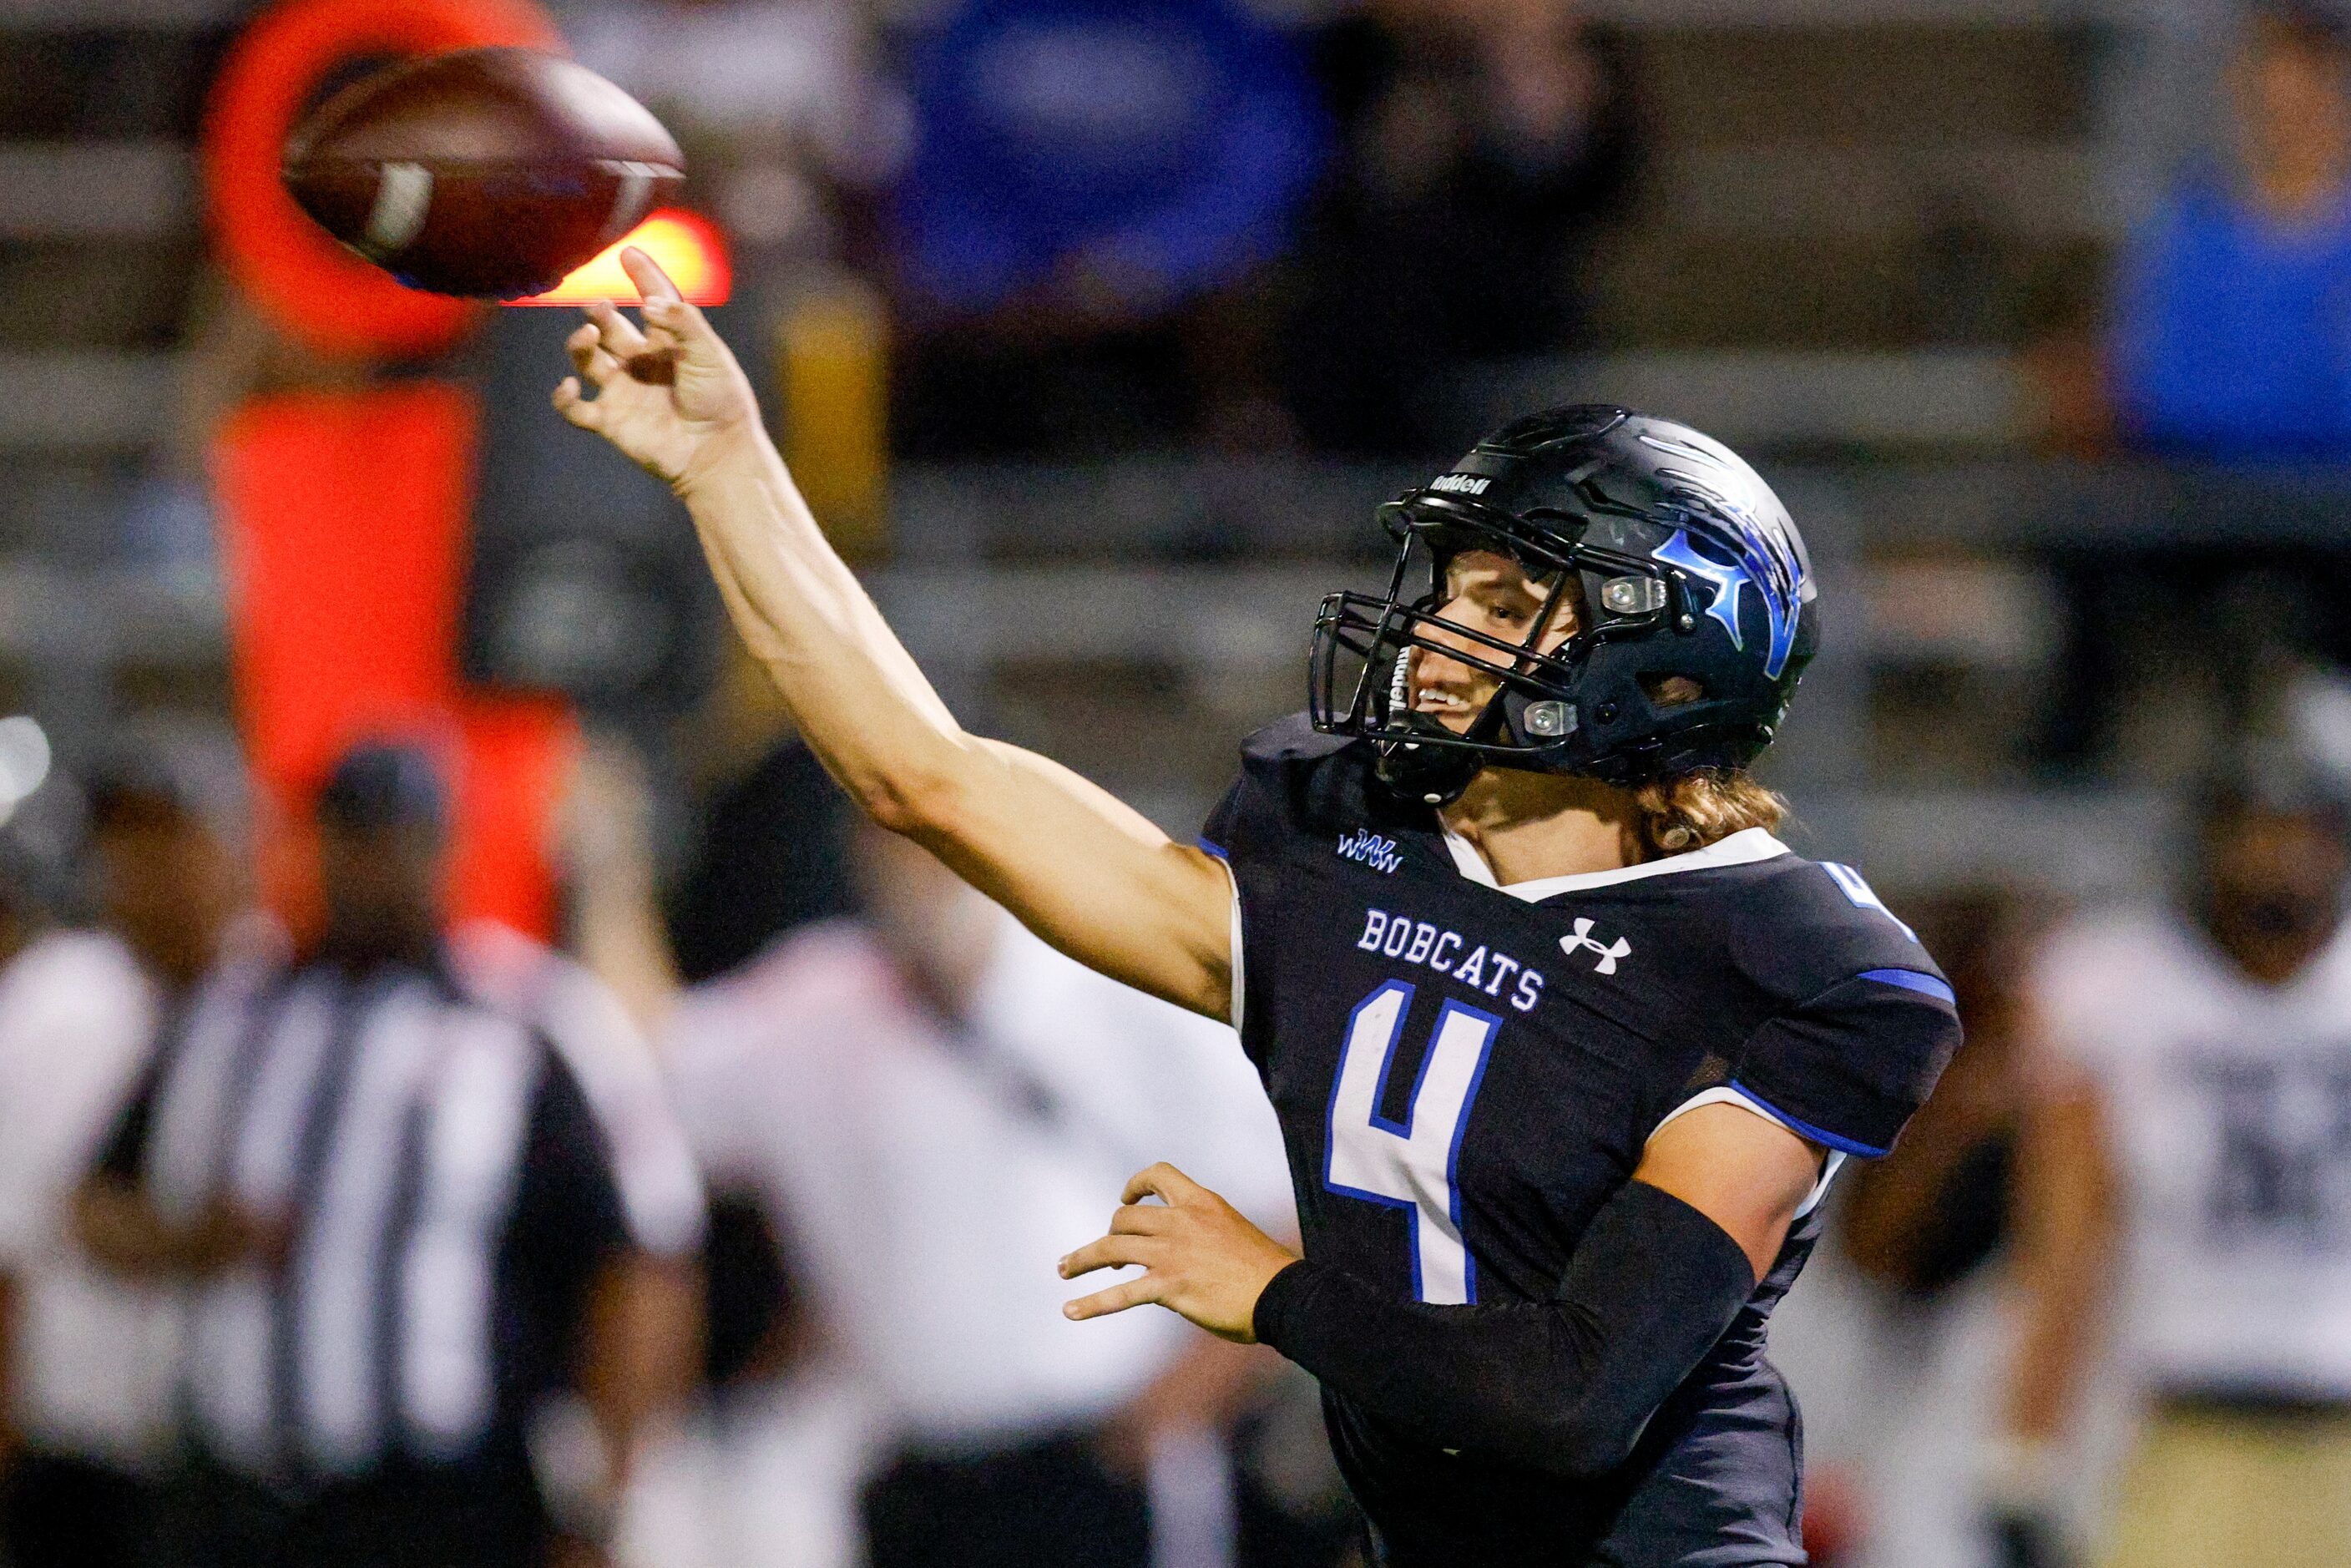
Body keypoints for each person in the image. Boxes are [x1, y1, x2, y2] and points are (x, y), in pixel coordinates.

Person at [550, 249, 1963, 1564]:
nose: (1435, 630)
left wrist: (1271, 1292)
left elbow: (1579, 1389)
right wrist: (731, 469)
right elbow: (929, 780)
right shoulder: (1353, 855)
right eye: (1451, 584)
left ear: (1666, 663)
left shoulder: (1786, 963)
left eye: (1505, 596)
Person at [75, 741, 701, 1568]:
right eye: (352, 838)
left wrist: (604, 1496)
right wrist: (187, 1243)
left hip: (441, 1500)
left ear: (447, 848)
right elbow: (95, 1203)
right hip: (234, 1495)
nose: (373, 867)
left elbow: (640, 1260)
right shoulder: (233, 1011)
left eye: (398, 840)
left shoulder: (529, 1019)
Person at [662, 822, 1313, 1568]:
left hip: (1095, 1465)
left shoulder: (1114, 981)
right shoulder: (813, 1004)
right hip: (916, 1475)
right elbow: (645, 1075)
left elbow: (1285, 1213)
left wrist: (1173, 1413)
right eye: (895, 843)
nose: (920, 874)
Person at [1992, 750, 2351, 1568]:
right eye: (2256, 836)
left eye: (2301, 837)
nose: (2280, 863)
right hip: (2190, 1425)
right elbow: (2065, 1237)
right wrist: (2021, 1455)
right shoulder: (2116, 982)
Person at [0, 724, 250, 1567]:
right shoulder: (49, 1006)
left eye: (174, 839)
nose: (149, 873)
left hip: (246, 1453)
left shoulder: (286, 1006)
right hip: (76, 1448)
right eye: (126, 845)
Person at [2111, 0, 2351, 460]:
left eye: (2310, 102)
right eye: (2276, 110)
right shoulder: (2188, 237)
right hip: (2212, 512)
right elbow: (2162, 396)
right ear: (2242, 93)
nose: (2291, 128)